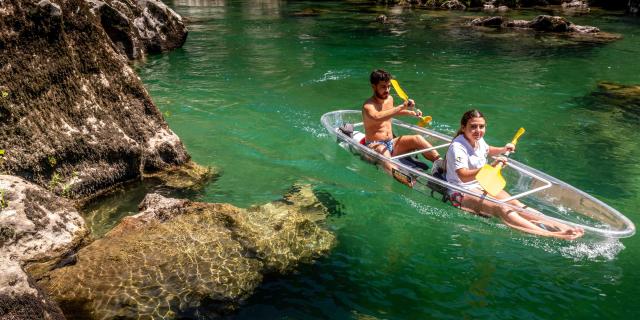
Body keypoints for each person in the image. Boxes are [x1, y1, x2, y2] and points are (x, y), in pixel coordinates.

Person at [445, 109, 584, 240]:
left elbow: (487, 150)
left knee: (516, 204)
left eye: (481, 126)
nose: (478, 131)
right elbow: (463, 175)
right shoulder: (458, 147)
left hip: (481, 184)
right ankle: (552, 235)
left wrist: (503, 149)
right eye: (473, 126)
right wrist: (488, 167)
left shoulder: (478, 140)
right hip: (460, 190)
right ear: (463, 128)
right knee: (502, 208)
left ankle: (561, 226)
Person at [362, 69, 444, 186]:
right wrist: (402, 106)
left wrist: (411, 112)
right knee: (382, 150)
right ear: (374, 86)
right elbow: (377, 117)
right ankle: (407, 181)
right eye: (383, 87)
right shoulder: (368, 106)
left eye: (389, 86)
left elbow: (390, 112)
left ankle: (440, 164)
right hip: (374, 146)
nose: (387, 90)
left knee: (417, 138)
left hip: (391, 143)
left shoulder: (389, 99)